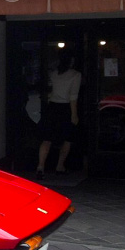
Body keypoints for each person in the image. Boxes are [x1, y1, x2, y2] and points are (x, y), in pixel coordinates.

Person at [37, 50, 81, 178]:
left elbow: (49, 90)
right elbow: (73, 97)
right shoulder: (75, 75)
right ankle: (60, 166)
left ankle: (40, 166)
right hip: (65, 108)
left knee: (47, 138)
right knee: (67, 138)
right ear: (71, 61)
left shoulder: (54, 73)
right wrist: (74, 115)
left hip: (52, 107)